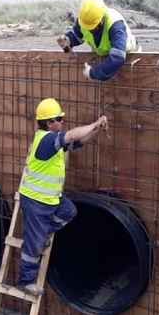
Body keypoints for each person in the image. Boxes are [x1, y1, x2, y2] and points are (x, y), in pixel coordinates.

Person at [17, 98, 108, 296]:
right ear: (49, 123)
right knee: (32, 246)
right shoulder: (47, 140)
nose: (62, 122)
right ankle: (25, 281)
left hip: (50, 199)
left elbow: (79, 141)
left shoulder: (53, 142)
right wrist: (93, 122)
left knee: (69, 211)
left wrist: (97, 130)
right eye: (59, 119)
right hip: (36, 201)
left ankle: (44, 234)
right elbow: (73, 134)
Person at [57, 0, 139, 81]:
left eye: (92, 27)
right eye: (87, 27)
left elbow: (117, 58)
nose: (89, 30)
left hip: (125, 54)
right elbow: (77, 35)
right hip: (103, 56)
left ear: (102, 19)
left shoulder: (115, 25)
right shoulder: (85, 20)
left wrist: (93, 72)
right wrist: (68, 41)